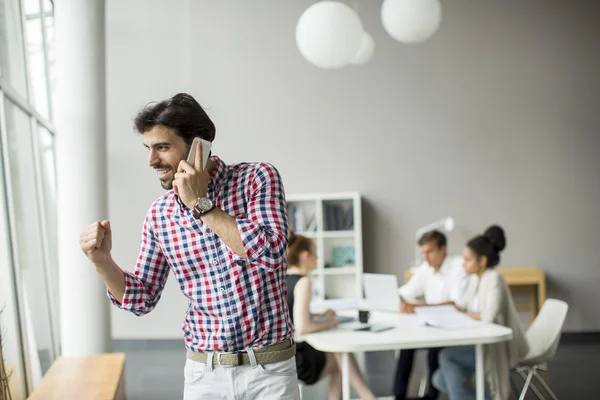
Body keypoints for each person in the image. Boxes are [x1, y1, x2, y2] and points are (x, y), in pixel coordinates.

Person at [79, 93, 299, 400]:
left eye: (162, 147)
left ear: (199, 145)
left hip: (270, 373)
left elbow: (272, 253)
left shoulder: (256, 178)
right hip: (204, 376)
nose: (151, 161)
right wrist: (102, 262)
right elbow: (141, 298)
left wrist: (201, 204)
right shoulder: (160, 214)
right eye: (148, 148)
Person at [432, 225, 529, 400]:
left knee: (446, 357)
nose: (463, 263)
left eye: (467, 259)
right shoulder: (476, 279)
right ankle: (486, 397)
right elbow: (463, 305)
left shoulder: (494, 279)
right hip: (480, 342)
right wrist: (443, 310)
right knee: (438, 379)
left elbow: (487, 316)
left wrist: (463, 315)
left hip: (495, 346)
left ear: (482, 261)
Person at [286, 232, 377, 400]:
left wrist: (316, 315)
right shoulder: (304, 282)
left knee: (339, 358)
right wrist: (330, 322)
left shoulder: (284, 278)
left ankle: (364, 397)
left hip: (288, 354)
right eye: (315, 253)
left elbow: (291, 313)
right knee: (341, 356)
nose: (318, 257)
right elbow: (303, 327)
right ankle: (368, 397)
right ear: (306, 255)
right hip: (298, 360)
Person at [394, 230, 466, 400]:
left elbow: (456, 305)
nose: (425, 258)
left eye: (429, 252)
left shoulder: (457, 267)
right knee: (406, 344)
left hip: (452, 327)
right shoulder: (426, 268)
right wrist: (399, 299)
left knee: (435, 348)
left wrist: (418, 307)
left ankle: (432, 396)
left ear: (443, 249)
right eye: (422, 253)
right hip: (431, 323)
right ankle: (399, 395)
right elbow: (406, 291)